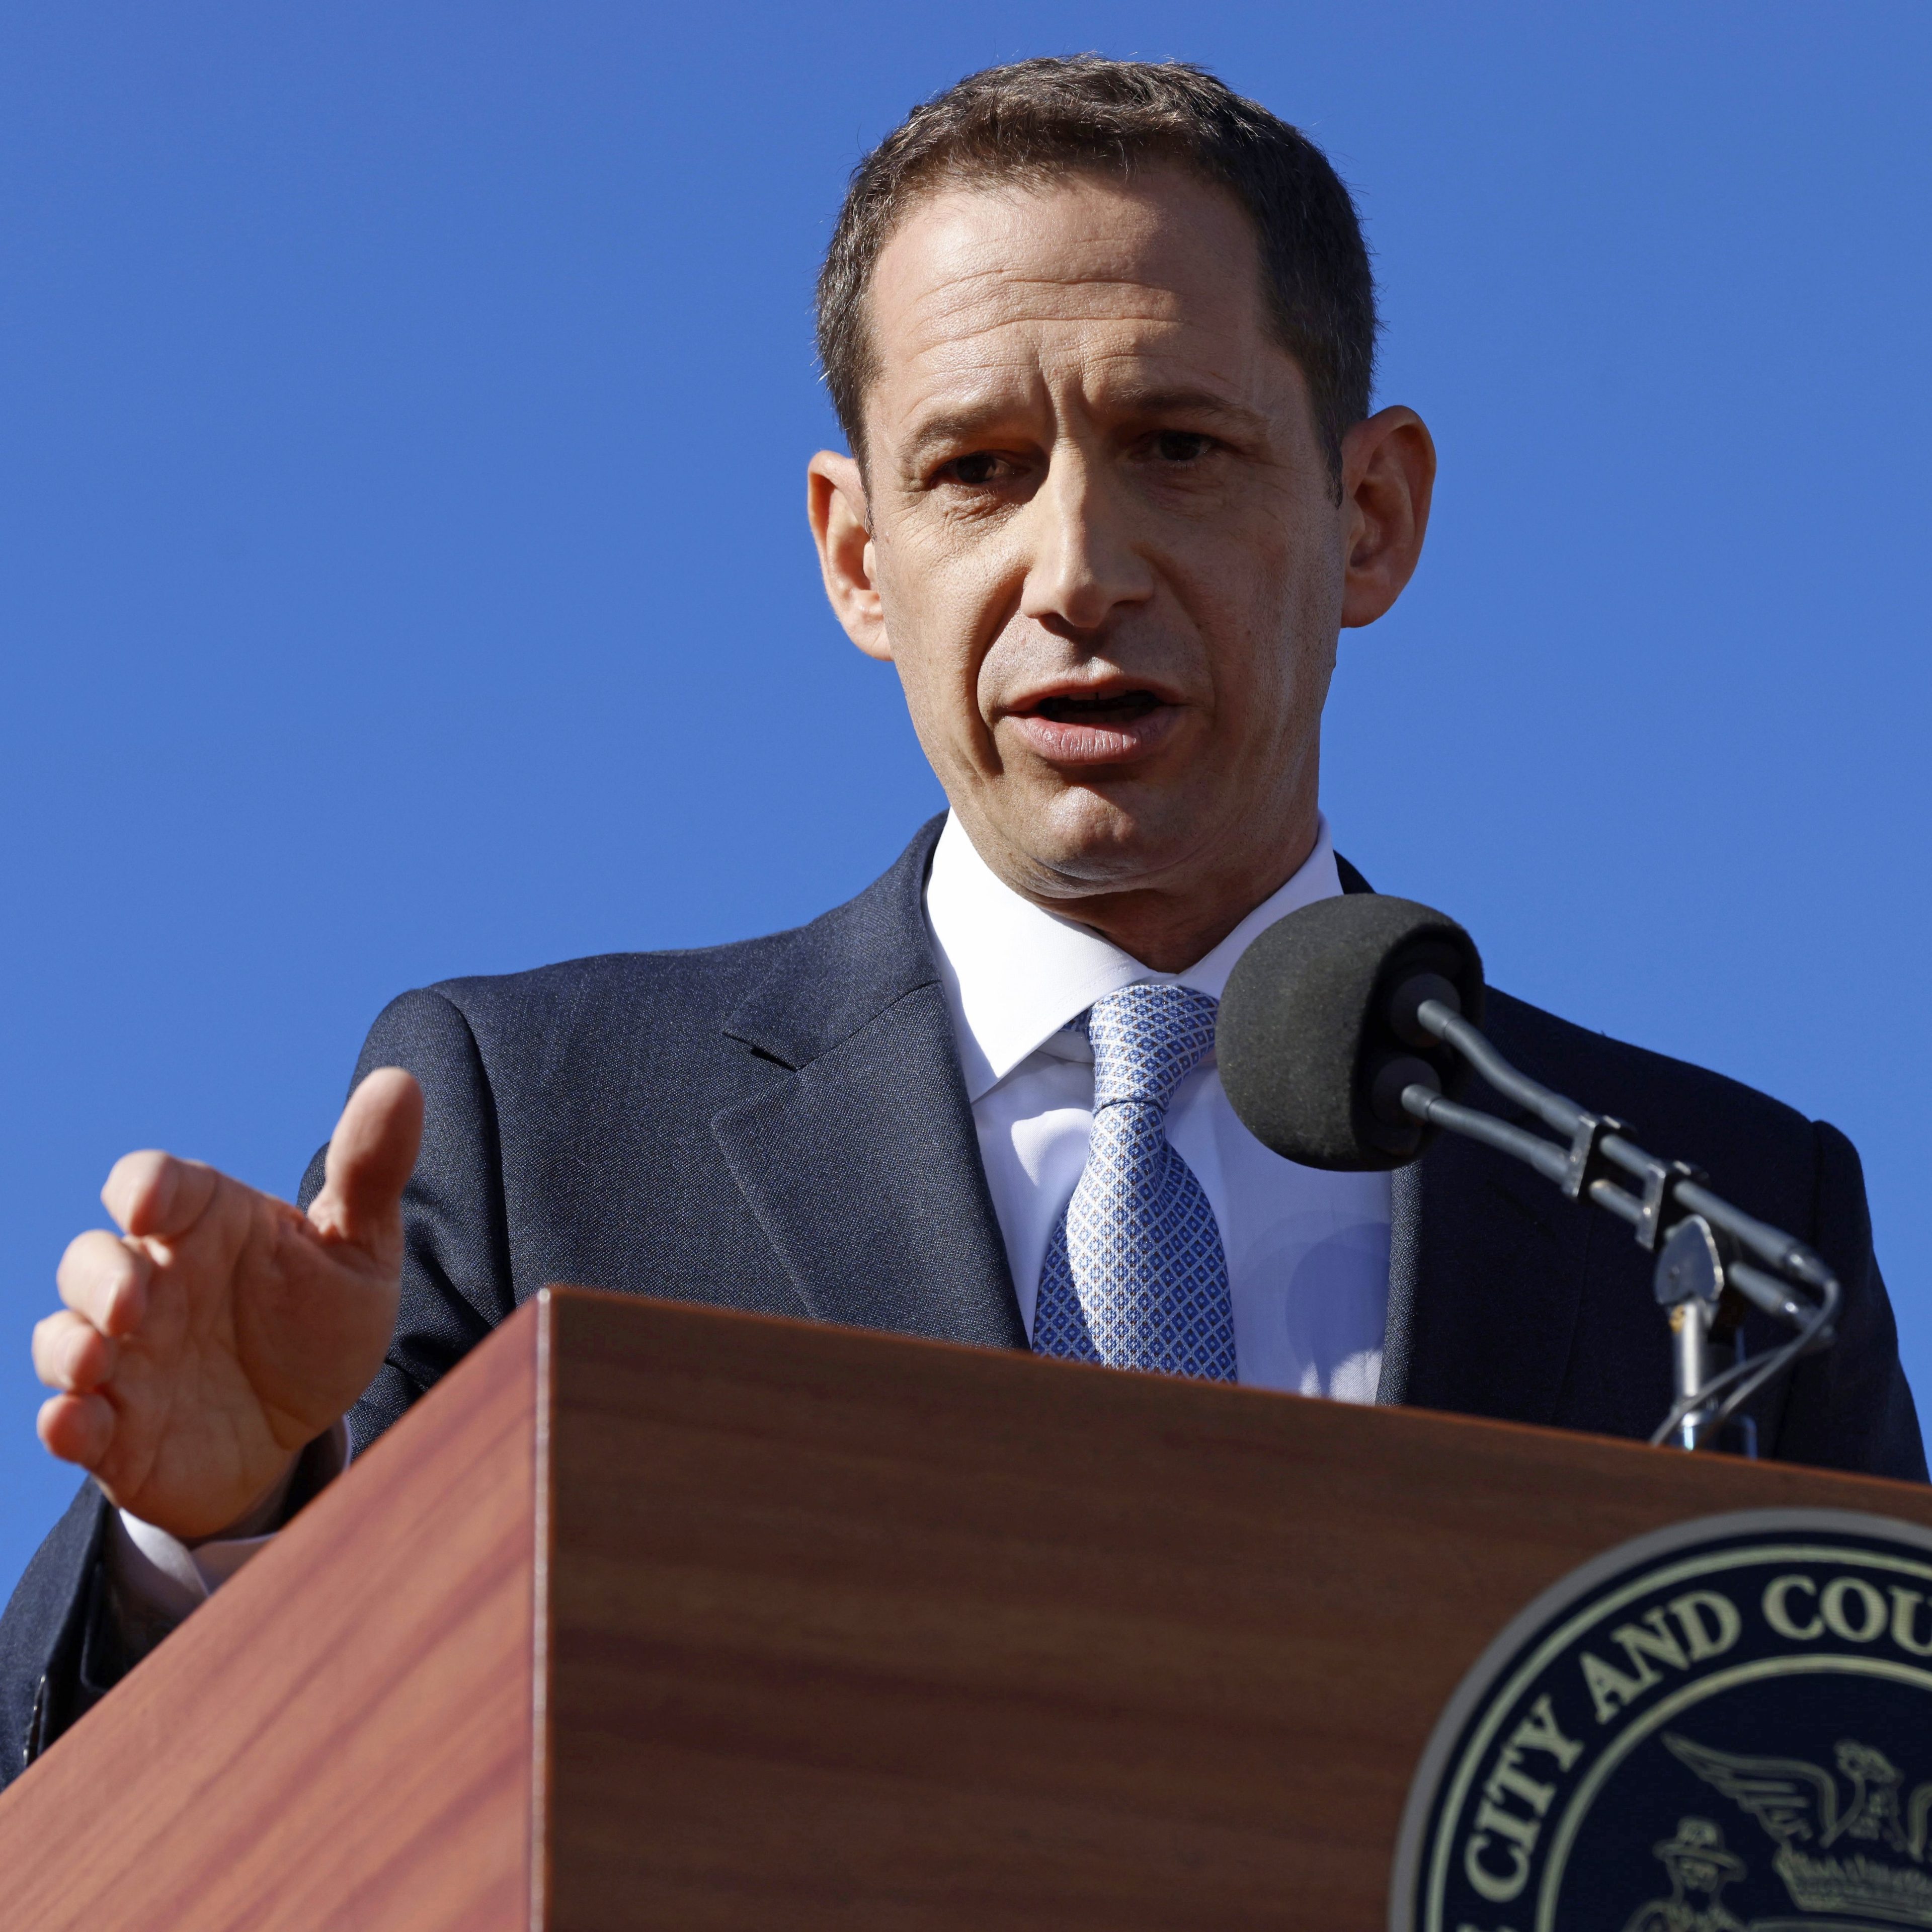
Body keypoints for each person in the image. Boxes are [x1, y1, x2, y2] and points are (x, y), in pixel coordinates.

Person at [4, 56, 1921, 1786]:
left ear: (1372, 517)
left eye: (1178, 446)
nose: (1074, 570)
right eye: (977, 471)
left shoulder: (1708, 1217)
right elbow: (263, 1826)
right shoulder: (539, 1132)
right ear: (858, 552)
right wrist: (224, 1531)